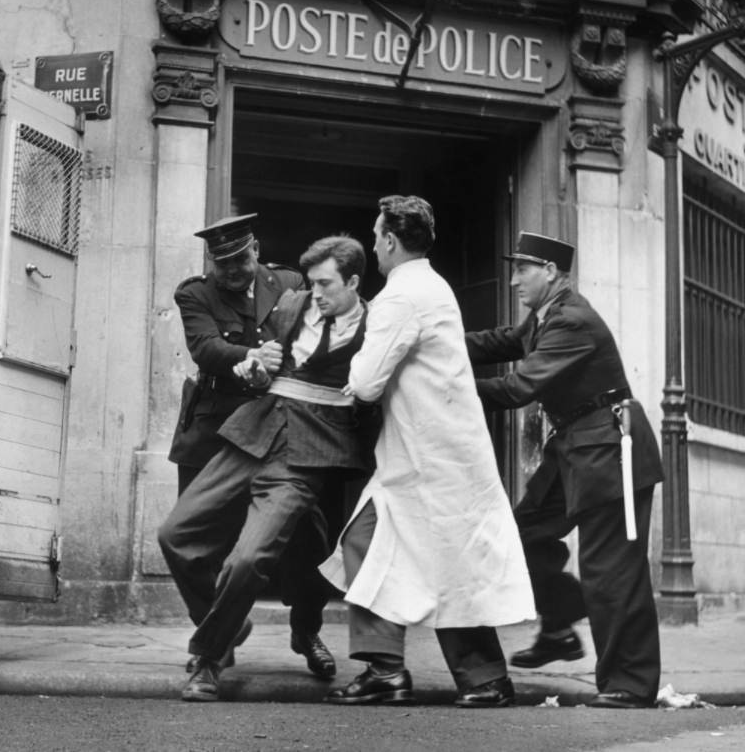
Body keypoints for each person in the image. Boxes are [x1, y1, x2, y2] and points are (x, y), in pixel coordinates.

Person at [321, 196, 535, 709]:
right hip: (435, 452)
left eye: (376, 236)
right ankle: (457, 676)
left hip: (426, 458)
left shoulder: (400, 296)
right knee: (425, 560)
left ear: (391, 240)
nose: (373, 244)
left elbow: (367, 382)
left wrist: (354, 377)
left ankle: (405, 673)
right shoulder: (432, 285)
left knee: (393, 551)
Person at [160, 235, 377, 702]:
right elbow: (262, 370)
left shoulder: (377, 324)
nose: (315, 294)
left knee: (249, 559)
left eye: (325, 284)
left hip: (307, 454)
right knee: (177, 535)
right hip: (252, 435)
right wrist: (255, 369)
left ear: (353, 282)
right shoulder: (292, 304)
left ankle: (208, 659)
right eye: (312, 283)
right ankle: (230, 623)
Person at [465, 231, 664, 710]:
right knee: (523, 534)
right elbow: (499, 342)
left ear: (550, 272)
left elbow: (517, 389)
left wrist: (440, 386)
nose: (513, 280)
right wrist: (432, 341)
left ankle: (630, 684)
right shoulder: (544, 318)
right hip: (576, 444)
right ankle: (558, 624)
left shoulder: (571, 320)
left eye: (522, 270)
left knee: (611, 570)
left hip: (609, 447)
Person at [169, 214, 332, 676]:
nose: (232, 270)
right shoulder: (194, 293)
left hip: (281, 431)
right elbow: (204, 347)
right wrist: (249, 357)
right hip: (215, 432)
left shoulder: (289, 283)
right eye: (223, 262)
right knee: (195, 544)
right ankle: (217, 639)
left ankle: (306, 630)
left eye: (239, 258)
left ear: (255, 249)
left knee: (308, 542)